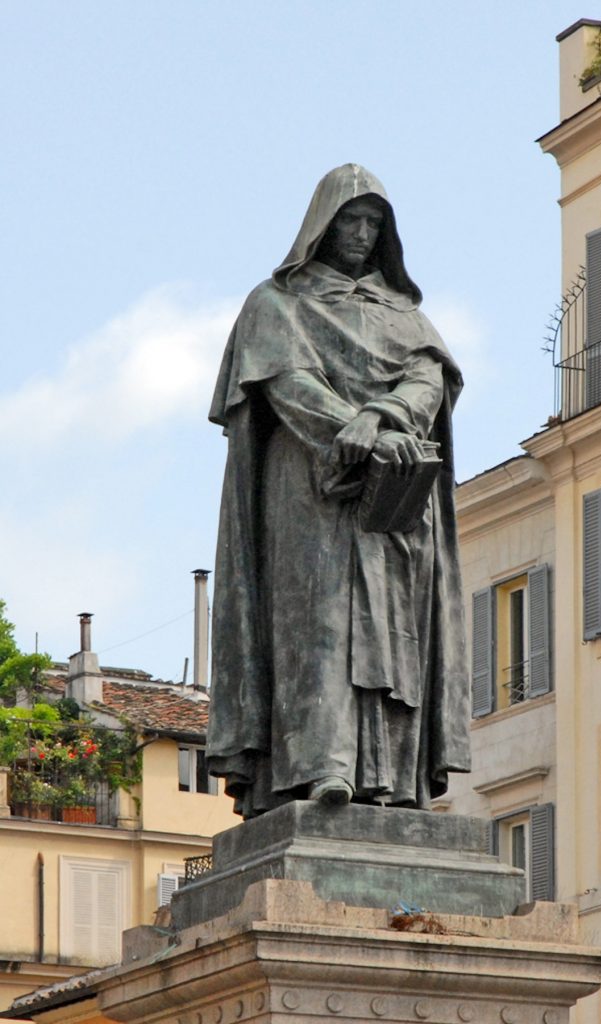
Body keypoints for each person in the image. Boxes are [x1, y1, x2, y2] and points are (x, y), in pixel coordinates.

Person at [206, 164, 470, 818]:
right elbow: (288, 383)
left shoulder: (405, 314)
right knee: (318, 621)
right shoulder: (276, 304)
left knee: (394, 634)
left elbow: (427, 379)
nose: (359, 233)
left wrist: (384, 422)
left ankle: (393, 781)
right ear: (322, 225)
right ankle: (319, 766)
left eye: (372, 223)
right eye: (350, 220)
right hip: (310, 484)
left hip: (396, 495)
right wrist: (351, 430)